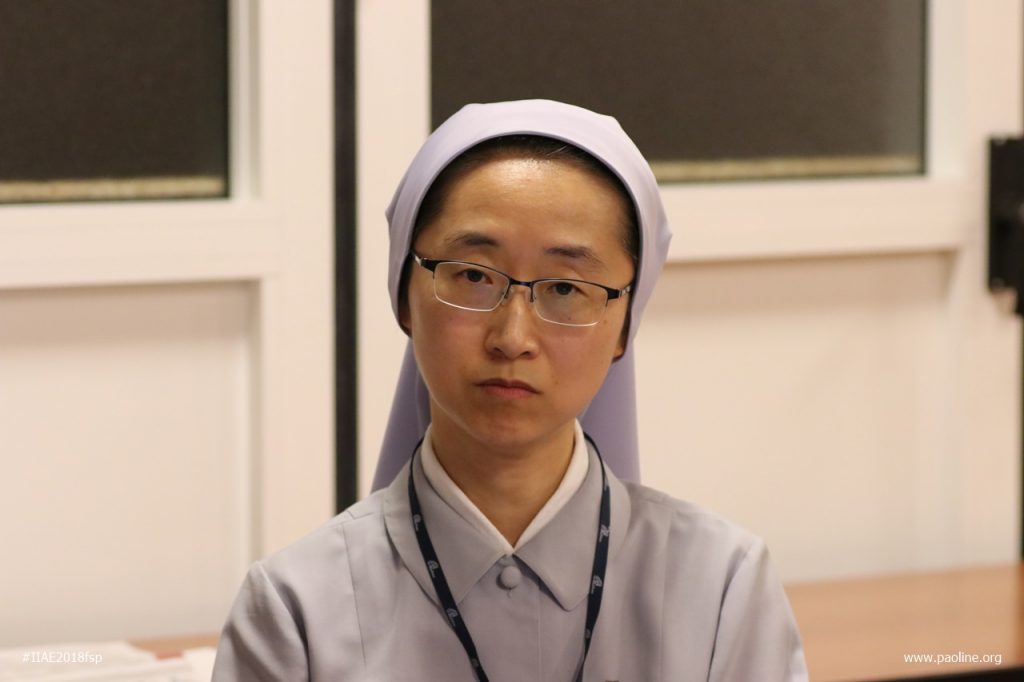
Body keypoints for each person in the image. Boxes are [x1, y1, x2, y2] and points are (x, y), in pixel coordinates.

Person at [212, 99, 808, 681]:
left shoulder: (722, 589)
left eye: (566, 288)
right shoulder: (295, 611)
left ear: (625, 324)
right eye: (473, 275)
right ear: (403, 298)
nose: (513, 338)